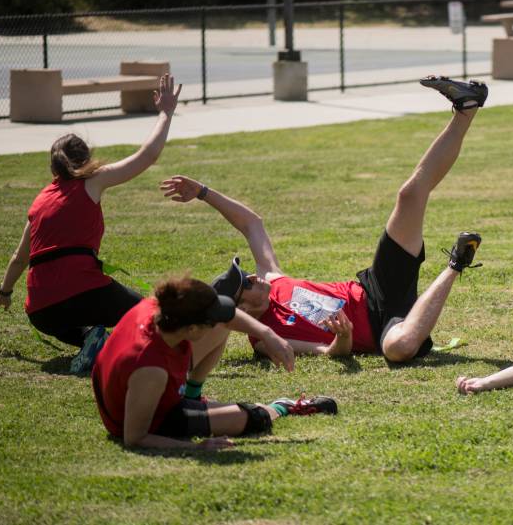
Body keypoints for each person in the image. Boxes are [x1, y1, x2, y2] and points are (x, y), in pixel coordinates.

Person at [158, 76, 488, 363]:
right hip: (383, 329)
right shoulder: (263, 340)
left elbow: (251, 224)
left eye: (246, 274)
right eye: (245, 283)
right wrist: (342, 337)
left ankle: (466, 106)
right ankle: (457, 263)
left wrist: (203, 192)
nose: (254, 278)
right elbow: (328, 353)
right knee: (399, 349)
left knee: (409, 196)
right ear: (240, 310)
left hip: (376, 287)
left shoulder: (272, 279)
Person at [0, 75, 183, 373]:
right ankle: (154, 353)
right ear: (87, 159)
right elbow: (147, 156)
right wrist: (165, 112)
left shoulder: (39, 202)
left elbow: (20, 257)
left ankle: (92, 339)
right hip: (83, 290)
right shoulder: (92, 181)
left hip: (41, 312)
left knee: (65, 316)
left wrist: (5, 292)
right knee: (150, 314)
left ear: (53, 167)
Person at [92, 275, 330, 451]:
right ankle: (282, 407)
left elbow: (227, 316)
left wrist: (268, 333)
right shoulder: (150, 368)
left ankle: (192, 397)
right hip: (153, 416)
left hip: (150, 392)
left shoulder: (158, 306)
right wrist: (196, 447)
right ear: (192, 328)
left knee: (222, 323)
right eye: (206, 323)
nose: (214, 323)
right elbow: (135, 438)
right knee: (252, 417)